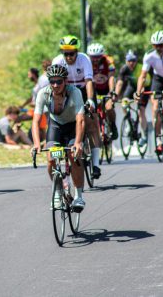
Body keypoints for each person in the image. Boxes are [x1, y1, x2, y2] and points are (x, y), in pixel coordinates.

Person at [32, 64, 86, 210]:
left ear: (65, 81)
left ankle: (79, 196)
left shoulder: (74, 92)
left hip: (73, 126)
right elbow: (36, 121)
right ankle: (57, 192)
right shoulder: (43, 93)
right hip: (56, 126)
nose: (55, 85)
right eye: (52, 81)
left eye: (59, 82)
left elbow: (81, 119)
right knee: (51, 159)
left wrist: (78, 143)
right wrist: (37, 143)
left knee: (73, 156)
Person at [52, 35, 101, 179]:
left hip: (84, 91)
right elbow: (55, 84)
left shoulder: (84, 59)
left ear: (77, 51)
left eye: (71, 53)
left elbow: (89, 81)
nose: (68, 57)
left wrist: (91, 100)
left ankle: (96, 163)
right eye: (65, 53)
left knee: (91, 124)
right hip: (66, 92)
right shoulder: (58, 61)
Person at [115, 50, 151, 146]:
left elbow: (146, 81)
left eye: (133, 61)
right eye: (129, 61)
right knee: (124, 102)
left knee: (141, 110)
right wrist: (115, 95)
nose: (131, 63)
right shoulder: (124, 69)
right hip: (131, 87)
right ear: (126, 61)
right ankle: (128, 122)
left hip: (143, 88)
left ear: (136, 61)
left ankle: (144, 135)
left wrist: (140, 92)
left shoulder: (140, 68)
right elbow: (120, 83)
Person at [87, 43, 118, 140]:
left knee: (108, 108)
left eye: (98, 57)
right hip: (94, 89)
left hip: (106, 88)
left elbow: (111, 77)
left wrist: (112, 92)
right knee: (93, 110)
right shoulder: (87, 62)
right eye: (93, 57)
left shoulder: (108, 61)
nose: (95, 59)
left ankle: (113, 125)